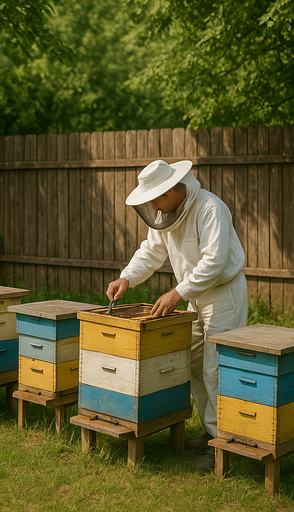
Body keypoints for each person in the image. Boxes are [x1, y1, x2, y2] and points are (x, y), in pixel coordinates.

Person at [106, 159, 247, 471]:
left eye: (156, 197)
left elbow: (214, 261)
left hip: (223, 296)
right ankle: (213, 432)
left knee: (216, 368)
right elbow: (151, 251)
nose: (153, 204)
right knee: (195, 365)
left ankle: (226, 443)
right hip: (195, 296)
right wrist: (126, 277)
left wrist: (177, 293)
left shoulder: (210, 208)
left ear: (173, 190)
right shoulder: (165, 214)